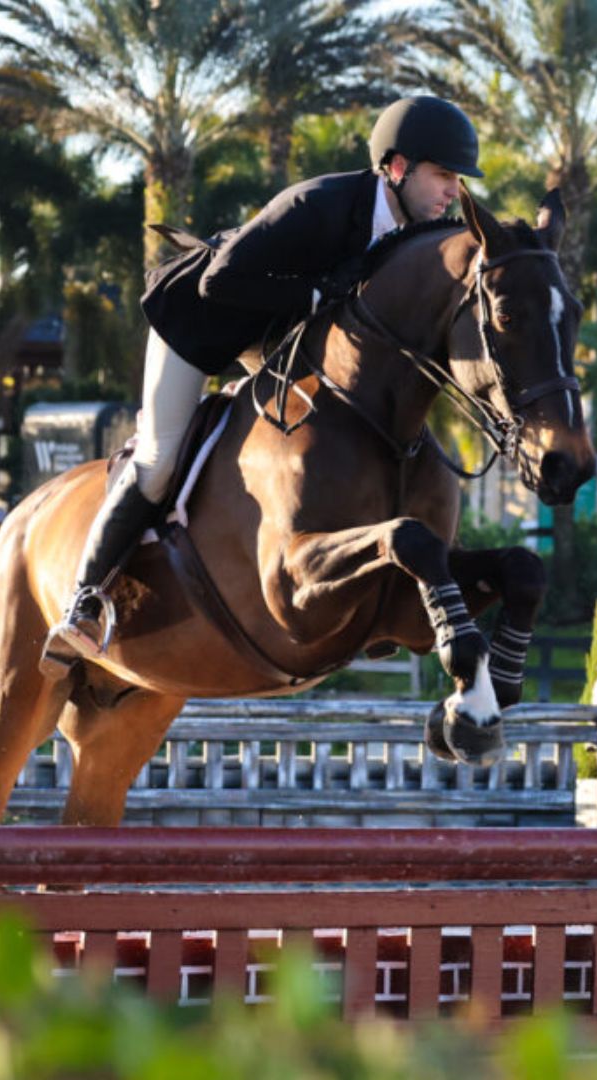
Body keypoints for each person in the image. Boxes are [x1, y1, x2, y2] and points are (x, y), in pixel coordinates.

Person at [39, 96, 484, 676]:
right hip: (200, 326)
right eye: (443, 176)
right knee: (157, 459)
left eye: (456, 181)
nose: (453, 192)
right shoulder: (319, 205)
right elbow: (221, 281)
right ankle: (85, 601)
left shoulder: (415, 235)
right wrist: (318, 295)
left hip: (274, 344)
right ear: (397, 168)